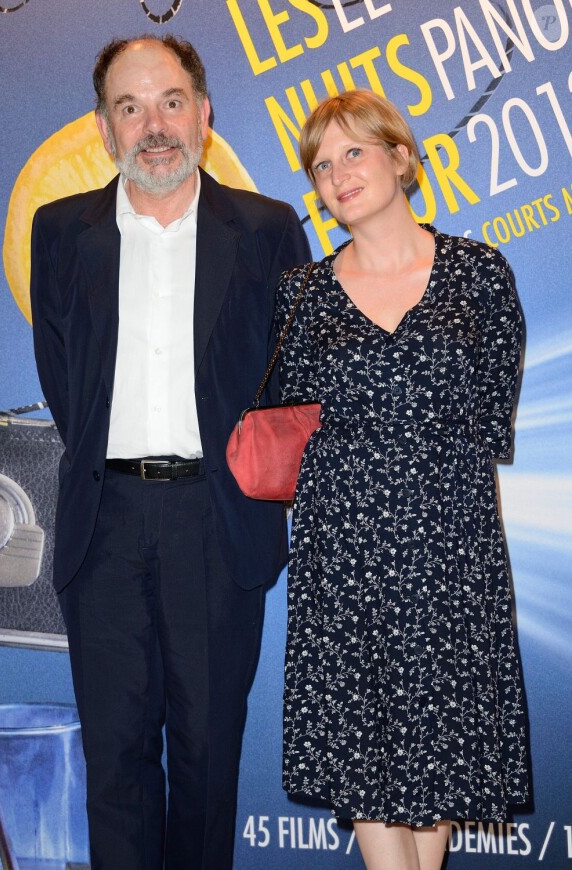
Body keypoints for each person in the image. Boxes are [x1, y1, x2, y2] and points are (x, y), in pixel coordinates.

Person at [30, 34, 310, 870]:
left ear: (205, 113)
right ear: (104, 128)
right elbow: (61, 372)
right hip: (103, 527)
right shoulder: (58, 232)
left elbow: (289, 379)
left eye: (171, 101)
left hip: (217, 529)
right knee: (112, 765)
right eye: (130, 106)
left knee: (205, 762)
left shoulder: (265, 229)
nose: (154, 125)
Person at [276, 90, 529, 870]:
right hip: (343, 563)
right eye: (322, 164)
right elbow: (290, 419)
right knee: (364, 761)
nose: (338, 173)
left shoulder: (480, 275)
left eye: (354, 151)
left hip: (451, 558)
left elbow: (490, 417)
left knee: (440, 764)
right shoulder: (300, 295)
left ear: (400, 156)